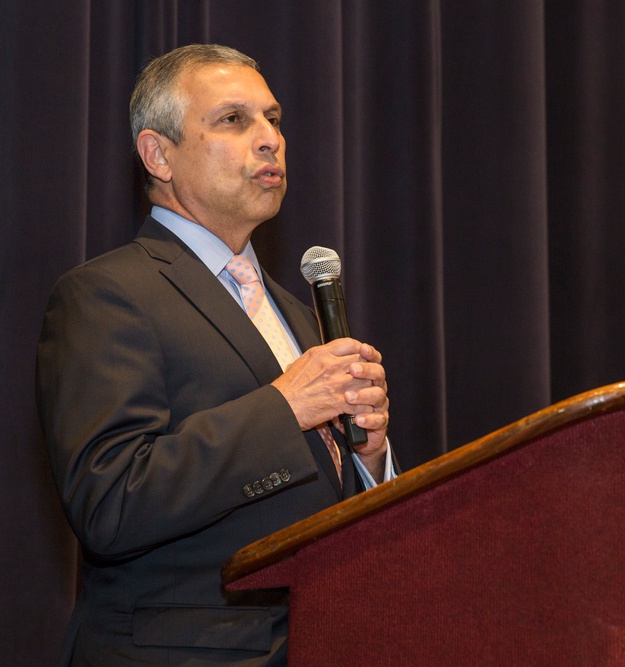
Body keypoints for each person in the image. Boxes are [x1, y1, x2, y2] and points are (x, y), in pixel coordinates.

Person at [36, 43, 394, 666]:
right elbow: (110, 502)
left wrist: (367, 459)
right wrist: (285, 409)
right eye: (233, 120)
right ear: (158, 154)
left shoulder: (294, 311)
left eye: (273, 119)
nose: (269, 140)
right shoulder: (106, 294)